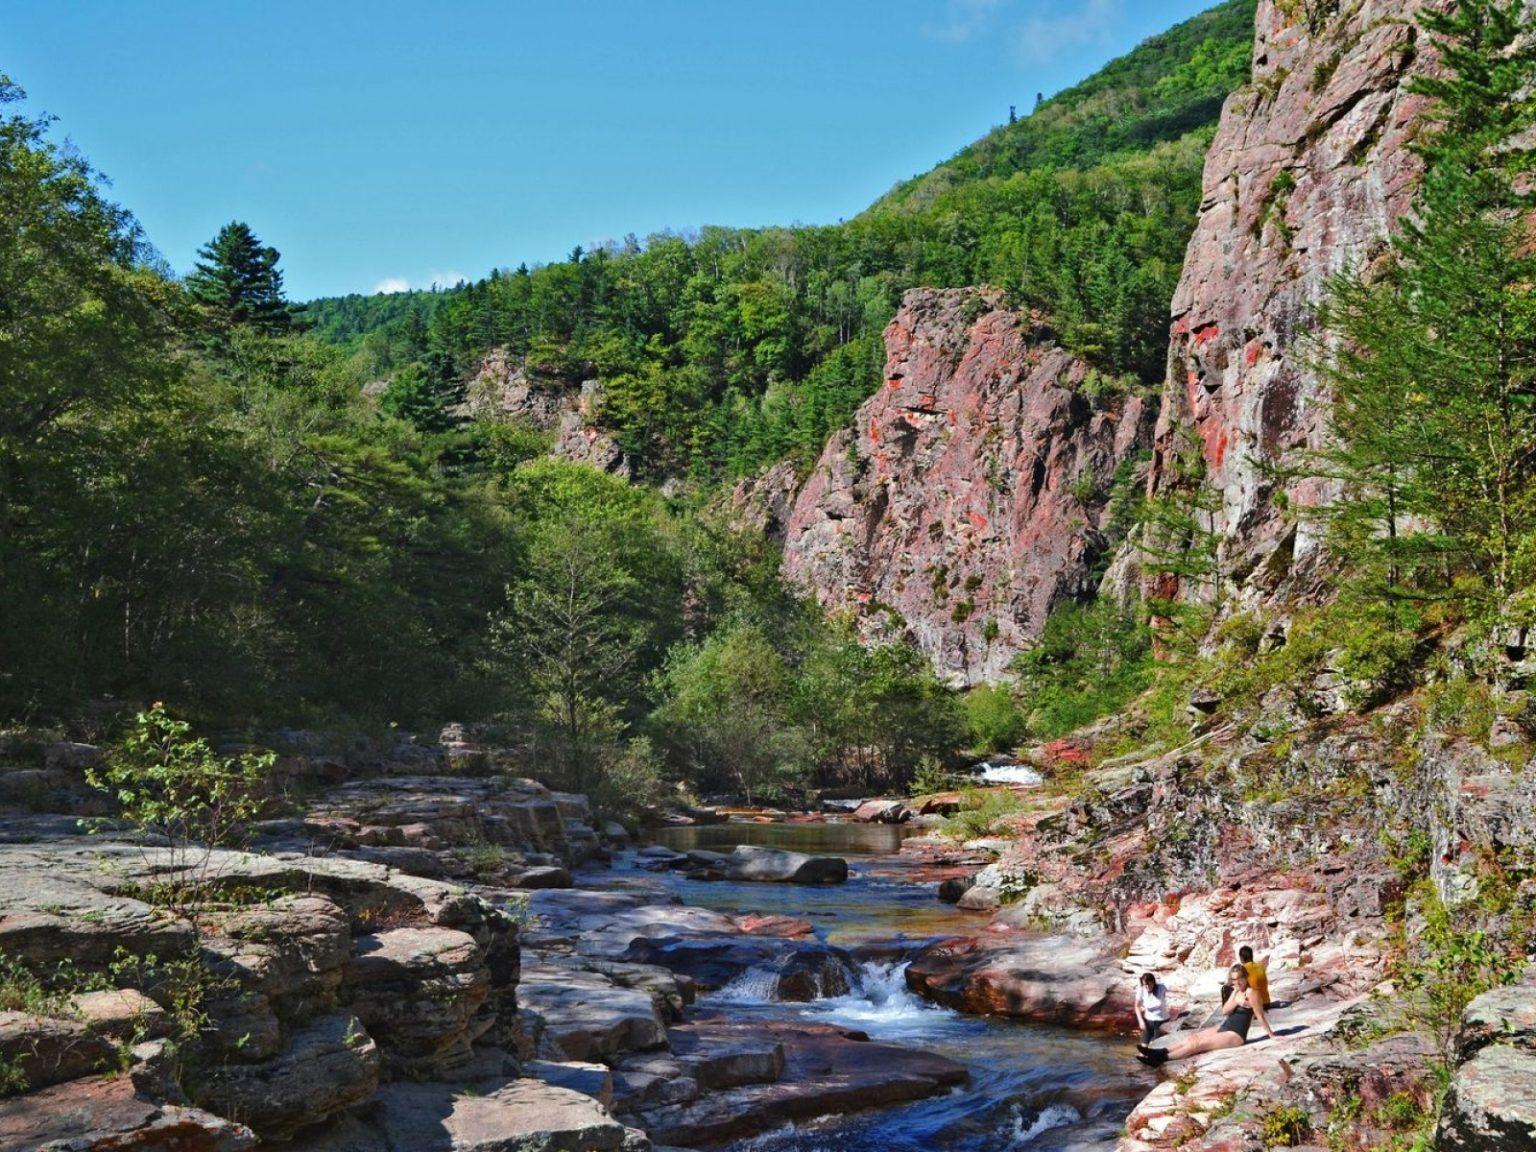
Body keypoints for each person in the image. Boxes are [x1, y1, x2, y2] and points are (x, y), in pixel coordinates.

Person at [1137, 964, 1275, 1066]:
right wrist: (1236, 1001)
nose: (1237, 982)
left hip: (1236, 1035)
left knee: (1197, 1044)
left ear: (1246, 977)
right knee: (1193, 1037)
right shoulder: (1235, 991)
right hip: (1225, 1027)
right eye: (1233, 980)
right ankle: (1159, 1051)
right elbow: (1225, 1011)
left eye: (1240, 979)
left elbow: (1260, 1015)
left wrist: (1272, 1036)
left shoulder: (1252, 993)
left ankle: (1160, 1059)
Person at [1133, 972, 1169, 1045]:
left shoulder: (1161, 987)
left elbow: (1171, 982)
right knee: (1143, 1047)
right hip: (1148, 1022)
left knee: (1153, 1046)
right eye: (1145, 985)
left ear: (1153, 982)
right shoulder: (1141, 990)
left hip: (1161, 1022)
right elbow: (1136, 1006)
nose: (1147, 987)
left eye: (1149, 984)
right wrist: (1141, 1021)